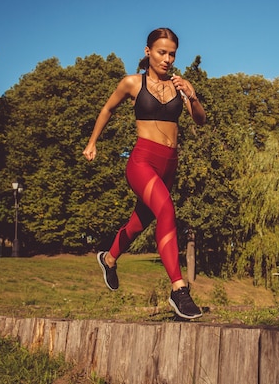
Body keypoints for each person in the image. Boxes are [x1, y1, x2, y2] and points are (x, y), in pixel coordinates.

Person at [83, 28, 206, 319]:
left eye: (172, 53)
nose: (167, 59)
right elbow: (107, 110)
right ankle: (178, 289)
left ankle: (109, 258)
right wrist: (92, 143)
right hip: (142, 162)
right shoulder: (132, 83)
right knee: (166, 211)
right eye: (161, 52)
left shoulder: (179, 86)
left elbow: (200, 120)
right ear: (147, 51)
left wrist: (193, 94)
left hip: (169, 165)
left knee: (140, 221)